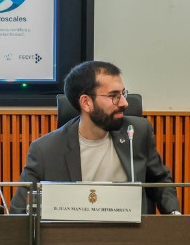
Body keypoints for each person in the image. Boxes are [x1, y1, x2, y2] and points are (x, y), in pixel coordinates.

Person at [10, 61, 180, 215]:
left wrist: (174, 214)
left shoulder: (137, 133)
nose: (124, 103)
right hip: (73, 243)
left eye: (123, 93)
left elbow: (160, 181)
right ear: (86, 103)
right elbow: (19, 213)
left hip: (131, 241)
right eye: (114, 96)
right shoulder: (46, 150)